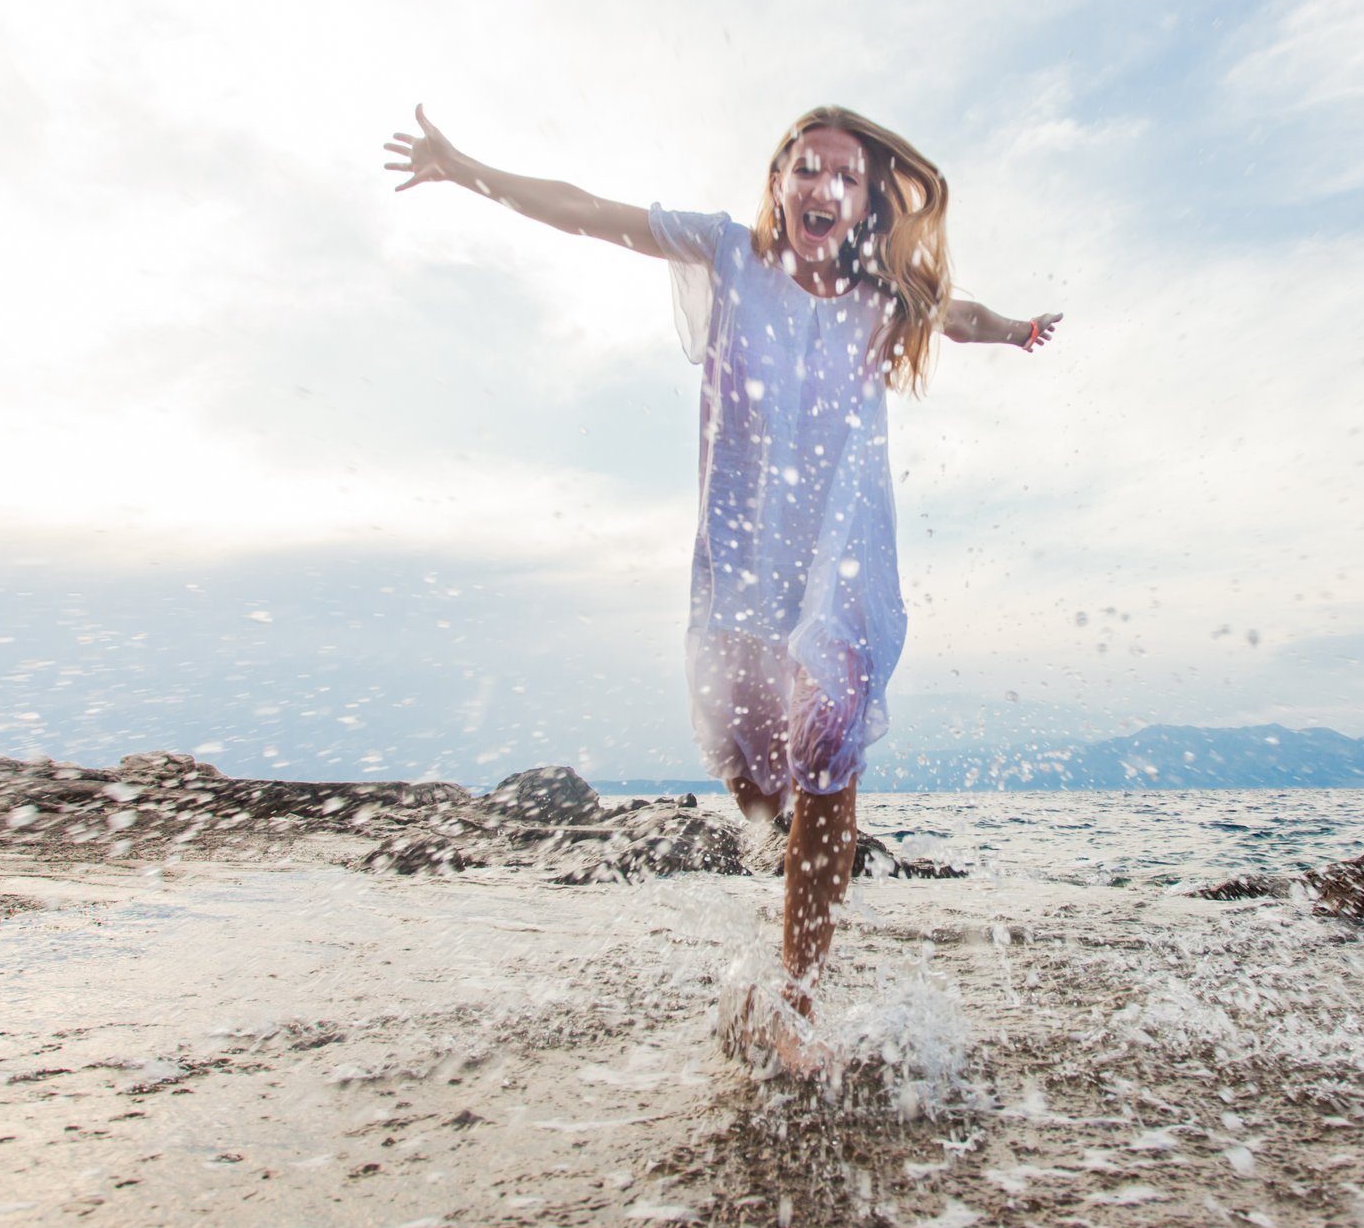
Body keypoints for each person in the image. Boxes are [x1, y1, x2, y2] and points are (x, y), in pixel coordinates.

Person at [383, 104, 1060, 1068]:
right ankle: (769, 895)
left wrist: (1019, 329)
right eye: (804, 167)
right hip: (745, 575)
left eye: (846, 176)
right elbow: (584, 209)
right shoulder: (726, 253)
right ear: (778, 183)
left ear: (866, 202)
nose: (822, 186)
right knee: (753, 775)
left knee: (830, 766)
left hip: (844, 561)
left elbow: (959, 316)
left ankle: (795, 1003)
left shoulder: (880, 297)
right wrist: (465, 167)